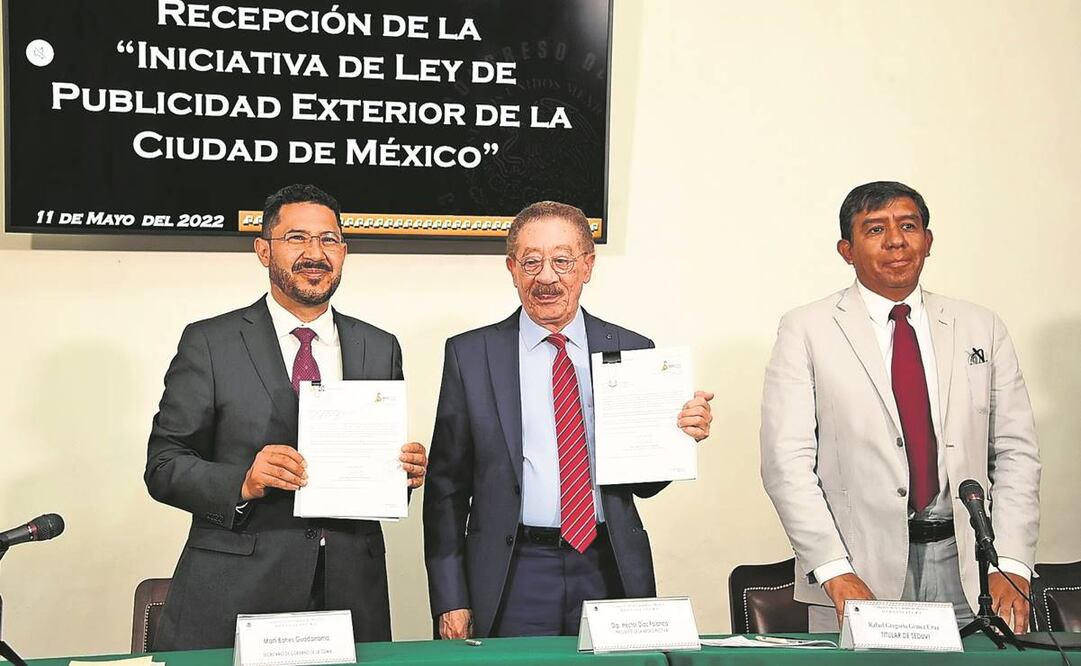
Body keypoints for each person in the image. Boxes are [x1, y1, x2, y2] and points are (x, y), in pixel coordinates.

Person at [145, 184, 427, 650]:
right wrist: (244, 481)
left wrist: (404, 473)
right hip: (236, 590)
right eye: (296, 238)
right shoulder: (211, 342)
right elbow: (163, 465)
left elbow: (374, 476)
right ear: (262, 250)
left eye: (329, 240)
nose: (315, 253)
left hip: (351, 590)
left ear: (344, 252)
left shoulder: (379, 346)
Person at [423, 200, 714, 639]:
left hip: (608, 565)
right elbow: (445, 490)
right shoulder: (471, 355)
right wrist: (450, 598)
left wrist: (678, 436)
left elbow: (645, 483)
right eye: (532, 261)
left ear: (587, 266)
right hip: (513, 571)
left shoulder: (634, 350)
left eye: (562, 260)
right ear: (511, 268)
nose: (546, 277)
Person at [760, 181, 1040, 632]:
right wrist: (834, 571)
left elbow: (1016, 453)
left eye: (908, 226)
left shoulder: (980, 326)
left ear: (928, 241)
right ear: (846, 250)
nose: (895, 240)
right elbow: (785, 465)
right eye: (875, 229)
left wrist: (1010, 563)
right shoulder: (806, 330)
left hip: (971, 572)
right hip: (857, 572)